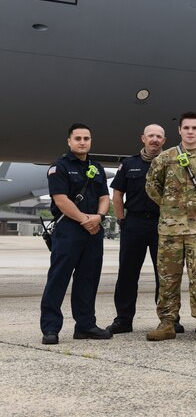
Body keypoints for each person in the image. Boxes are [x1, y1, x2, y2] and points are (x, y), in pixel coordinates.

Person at [145, 111, 196, 342]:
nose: (190, 132)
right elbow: (152, 185)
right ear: (180, 131)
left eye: (194, 128)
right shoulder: (165, 158)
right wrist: (169, 206)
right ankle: (167, 322)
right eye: (186, 128)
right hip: (169, 229)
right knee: (168, 278)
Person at [108, 124, 184, 335]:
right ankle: (123, 320)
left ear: (164, 140)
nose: (155, 140)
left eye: (159, 136)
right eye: (151, 136)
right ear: (143, 138)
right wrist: (121, 220)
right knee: (127, 274)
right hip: (134, 224)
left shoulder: (173, 163)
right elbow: (117, 194)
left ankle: (169, 320)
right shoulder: (129, 164)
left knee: (167, 275)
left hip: (163, 225)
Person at [41, 123, 112, 345]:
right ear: (69, 141)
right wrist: (84, 220)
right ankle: (51, 328)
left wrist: (98, 217)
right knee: (58, 278)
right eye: (78, 138)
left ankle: (85, 325)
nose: (82, 142)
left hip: (94, 228)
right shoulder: (59, 167)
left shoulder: (97, 167)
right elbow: (61, 200)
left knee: (88, 279)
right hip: (69, 229)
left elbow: (104, 197)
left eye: (86, 138)